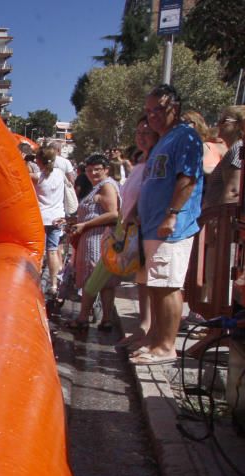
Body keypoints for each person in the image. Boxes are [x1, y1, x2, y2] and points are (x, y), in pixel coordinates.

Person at [130, 84, 204, 366]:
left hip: (172, 226)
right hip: (151, 226)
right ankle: (155, 339)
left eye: (158, 109)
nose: (152, 116)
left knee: (168, 285)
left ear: (175, 107)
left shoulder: (185, 137)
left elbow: (187, 178)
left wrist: (172, 214)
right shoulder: (162, 140)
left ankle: (166, 346)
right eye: (148, 111)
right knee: (156, 285)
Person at [114, 117, 162, 353]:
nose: (141, 136)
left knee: (153, 282)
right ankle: (144, 326)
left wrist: (132, 214)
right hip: (136, 227)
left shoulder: (155, 159)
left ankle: (152, 332)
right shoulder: (142, 159)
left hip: (147, 225)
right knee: (142, 281)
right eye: (138, 131)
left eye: (147, 132)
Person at [64, 153, 121, 331]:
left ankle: (83, 318)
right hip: (94, 237)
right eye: (89, 170)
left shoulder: (106, 186)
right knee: (104, 281)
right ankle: (106, 319)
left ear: (106, 170)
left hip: (97, 239)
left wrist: (85, 224)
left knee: (93, 279)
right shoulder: (100, 186)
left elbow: (113, 214)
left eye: (97, 169)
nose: (93, 173)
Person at [31, 144, 66, 299]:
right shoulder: (60, 173)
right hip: (57, 217)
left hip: (41, 217)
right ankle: (53, 284)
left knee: (38, 250)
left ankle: (35, 281)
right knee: (52, 250)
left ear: (39, 161)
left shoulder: (37, 177)